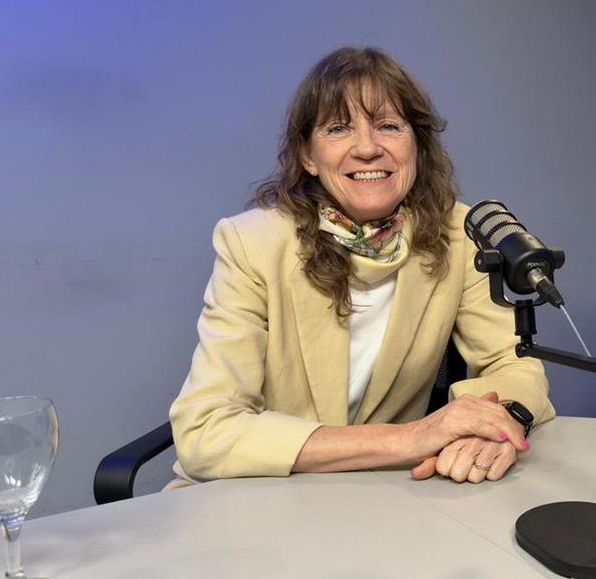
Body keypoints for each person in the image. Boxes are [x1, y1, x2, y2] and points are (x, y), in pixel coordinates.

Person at [170, 47, 554, 485]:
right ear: (308, 156)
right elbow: (205, 431)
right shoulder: (252, 243)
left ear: (417, 146)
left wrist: (495, 426)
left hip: (379, 496)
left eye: (389, 126)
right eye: (338, 129)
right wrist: (412, 437)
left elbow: (516, 365)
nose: (368, 149)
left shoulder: (459, 234)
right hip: (254, 490)